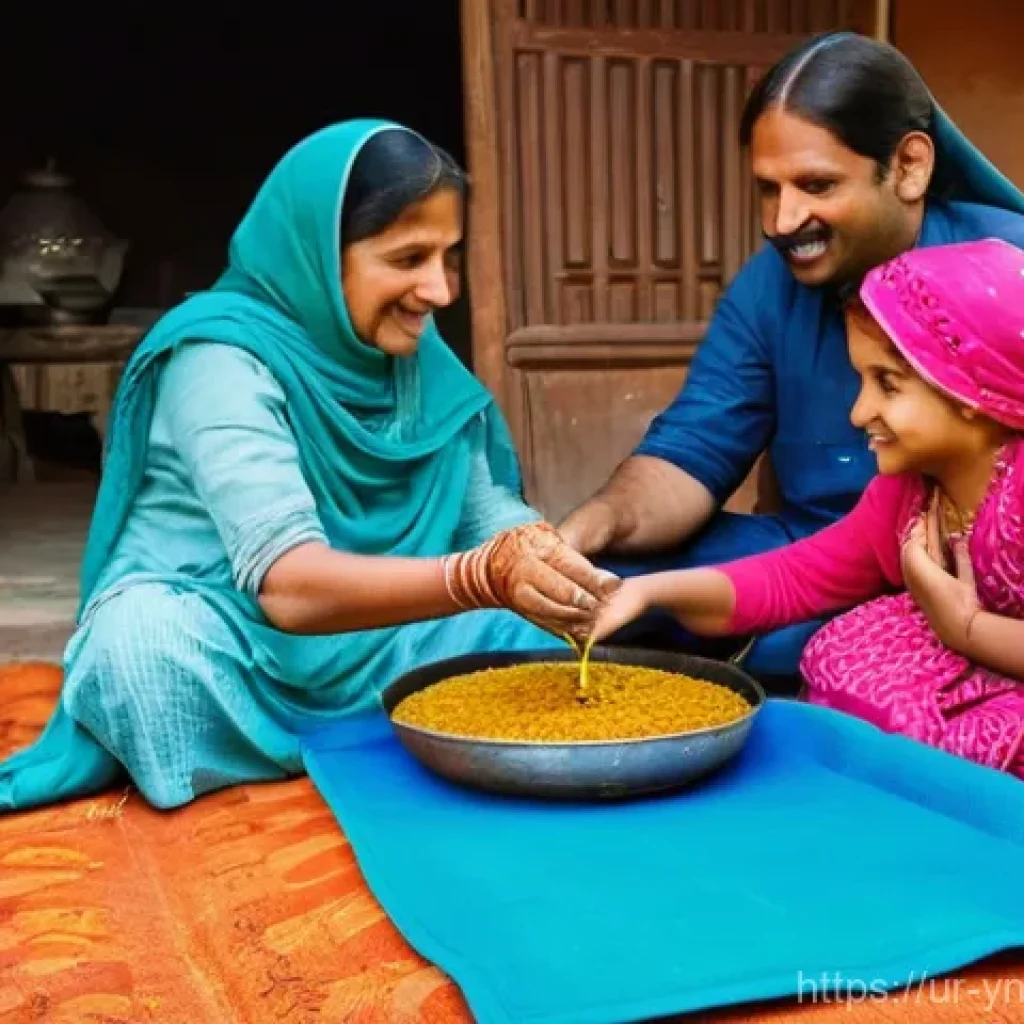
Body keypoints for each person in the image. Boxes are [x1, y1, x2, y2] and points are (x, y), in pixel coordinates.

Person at [0, 120, 615, 813]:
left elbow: (483, 514)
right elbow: (288, 587)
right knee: (137, 651)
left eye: (449, 257)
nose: (441, 290)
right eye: (408, 258)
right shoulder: (219, 360)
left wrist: (546, 564)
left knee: (543, 629)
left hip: (376, 633)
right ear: (321, 256)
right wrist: (477, 575)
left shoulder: (411, 353)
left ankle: (348, 738)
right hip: (240, 644)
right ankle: (377, 737)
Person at [557, 32, 1024, 681]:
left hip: (980, 572)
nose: (782, 220)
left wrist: (968, 617)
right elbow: (693, 450)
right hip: (829, 550)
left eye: (816, 184)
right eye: (767, 190)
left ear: (910, 167)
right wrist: (591, 528)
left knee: (844, 639)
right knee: (616, 582)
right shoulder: (769, 286)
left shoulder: (1007, 271)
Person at [591, 237, 1024, 777]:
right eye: (861, 381)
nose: (860, 411)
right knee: (842, 656)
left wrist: (964, 628)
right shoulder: (908, 495)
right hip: (969, 671)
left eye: (887, 385)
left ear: (970, 393)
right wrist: (647, 592)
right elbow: (792, 580)